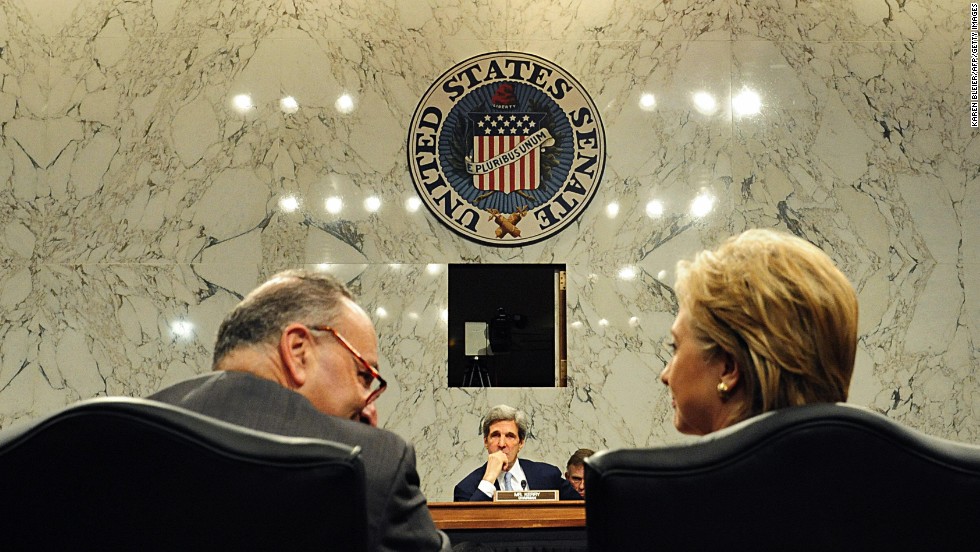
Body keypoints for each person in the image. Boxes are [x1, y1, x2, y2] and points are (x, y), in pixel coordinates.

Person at [148, 269, 450, 552]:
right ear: (298, 351)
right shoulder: (373, 461)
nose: (370, 409)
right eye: (365, 376)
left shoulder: (115, 436)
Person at [660, 228, 858, 436]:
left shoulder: (638, 469)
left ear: (728, 368)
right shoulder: (879, 464)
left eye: (675, 347)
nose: (665, 375)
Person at [453, 404, 582, 501]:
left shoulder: (547, 476)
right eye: (496, 435)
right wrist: (488, 479)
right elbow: (468, 525)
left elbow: (582, 513)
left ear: (521, 443)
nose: (502, 444)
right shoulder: (466, 489)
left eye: (510, 436)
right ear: (486, 441)